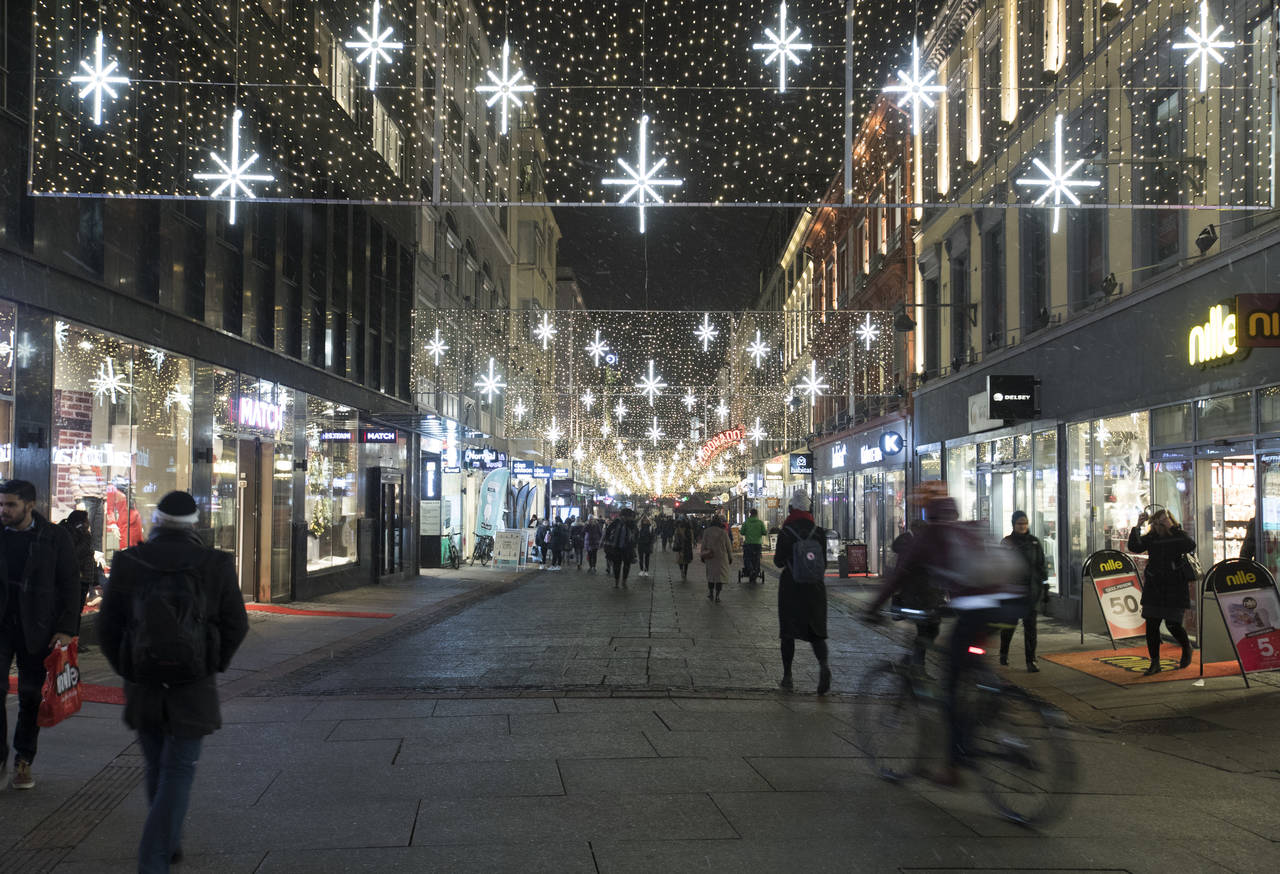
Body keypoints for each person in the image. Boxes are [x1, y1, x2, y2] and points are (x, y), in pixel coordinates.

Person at [98, 491, 249, 874]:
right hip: (193, 685)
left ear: (156, 521)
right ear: (194, 523)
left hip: (144, 681)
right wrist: (210, 663)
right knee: (179, 770)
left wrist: (128, 667)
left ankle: (168, 843)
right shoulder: (214, 563)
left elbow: (107, 626)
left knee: (155, 764)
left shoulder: (129, 561)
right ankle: (153, 859)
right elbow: (236, 623)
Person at [868, 495, 1025, 785]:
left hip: (978, 608)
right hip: (1009, 603)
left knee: (952, 684)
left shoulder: (930, 536)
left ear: (928, 516)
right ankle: (997, 697)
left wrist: (873, 609)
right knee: (973, 659)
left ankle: (953, 767)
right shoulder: (971, 529)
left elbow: (898, 576)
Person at [0, 479, 79, 791]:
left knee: (30, 695)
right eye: (1, 504)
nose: (3, 510)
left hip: (38, 628)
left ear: (29, 506)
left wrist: (66, 629)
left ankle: (24, 759)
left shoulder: (53, 536)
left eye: (10, 505)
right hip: (2, 626)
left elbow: (70, 584)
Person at [773, 489, 831, 694]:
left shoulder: (786, 531)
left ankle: (787, 675)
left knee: (788, 632)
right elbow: (823, 561)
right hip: (815, 587)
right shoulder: (819, 531)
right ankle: (823, 665)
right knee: (816, 632)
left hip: (791, 585)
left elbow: (778, 561)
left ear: (791, 509)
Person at [1128, 508, 1196, 675]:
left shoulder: (1177, 536)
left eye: (1163, 522)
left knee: (1172, 623)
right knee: (1151, 625)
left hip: (1174, 586)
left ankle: (1186, 646)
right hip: (1155, 585)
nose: (1159, 526)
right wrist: (1138, 526)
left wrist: (1172, 527)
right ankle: (1155, 663)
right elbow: (1135, 546)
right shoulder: (1152, 538)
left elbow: (1190, 545)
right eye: (1157, 523)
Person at [999, 510, 1049, 673]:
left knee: (1030, 628)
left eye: (1025, 523)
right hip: (1013, 592)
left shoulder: (1034, 542)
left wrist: (1045, 588)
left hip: (1031, 592)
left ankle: (1031, 660)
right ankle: (1004, 652)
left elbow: (1041, 565)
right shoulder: (1007, 542)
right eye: (1020, 523)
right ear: (1014, 524)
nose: (1023, 526)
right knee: (1009, 626)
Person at [59, 509, 98, 653]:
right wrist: (86, 539)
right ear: (81, 523)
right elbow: (75, 554)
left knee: (76, 612)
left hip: (83, 579)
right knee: (73, 612)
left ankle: (74, 641)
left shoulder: (79, 535)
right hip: (76, 579)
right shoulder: (73, 535)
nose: (89, 524)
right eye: (87, 521)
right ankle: (71, 642)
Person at [701, 514, 732, 602]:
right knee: (719, 577)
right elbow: (728, 546)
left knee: (711, 576)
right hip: (721, 557)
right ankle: (717, 596)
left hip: (710, 556)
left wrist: (702, 555)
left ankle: (711, 593)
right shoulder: (723, 532)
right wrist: (730, 557)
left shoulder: (707, 532)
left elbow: (703, 545)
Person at [606, 509, 638, 588]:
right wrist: (609, 541)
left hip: (627, 548)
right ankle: (616, 582)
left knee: (627, 565)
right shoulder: (616, 522)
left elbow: (636, 533)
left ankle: (624, 581)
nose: (627, 518)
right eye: (626, 516)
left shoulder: (632, 524)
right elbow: (608, 531)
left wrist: (634, 543)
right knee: (616, 565)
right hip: (616, 547)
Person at [739, 508, 767, 582]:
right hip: (757, 544)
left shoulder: (746, 522)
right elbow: (764, 532)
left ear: (750, 514)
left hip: (748, 544)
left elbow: (742, 532)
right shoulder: (760, 522)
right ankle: (756, 570)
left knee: (747, 558)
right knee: (757, 558)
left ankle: (750, 570)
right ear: (757, 514)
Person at [673, 515, 694, 581]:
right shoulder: (689, 530)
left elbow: (676, 538)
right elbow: (691, 539)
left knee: (680, 560)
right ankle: (684, 573)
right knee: (686, 561)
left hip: (680, 546)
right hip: (687, 546)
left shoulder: (677, 529)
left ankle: (682, 571)